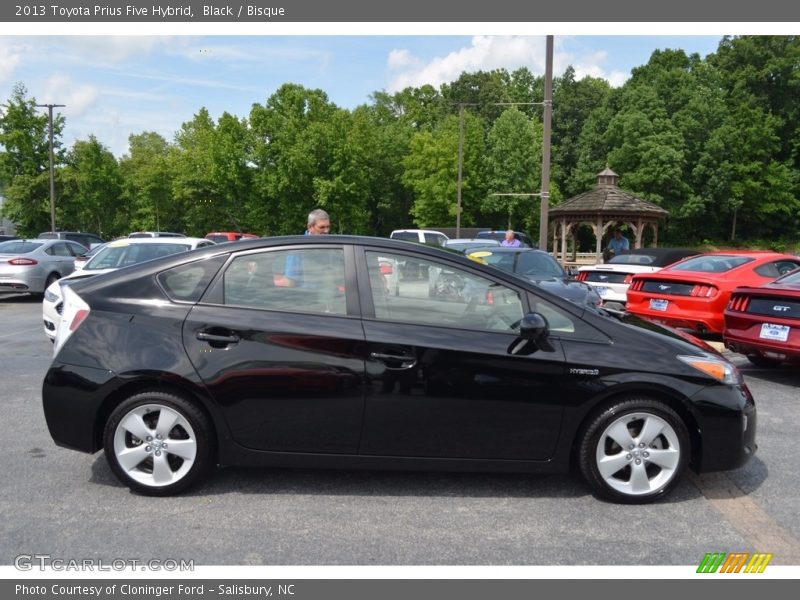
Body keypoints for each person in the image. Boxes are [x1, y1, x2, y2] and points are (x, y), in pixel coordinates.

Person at [283, 209, 331, 286]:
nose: (326, 231)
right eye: (322, 227)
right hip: (306, 296)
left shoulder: (332, 245)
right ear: (309, 227)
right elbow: (290, 282)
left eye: (328, 227)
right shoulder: (298, 248)